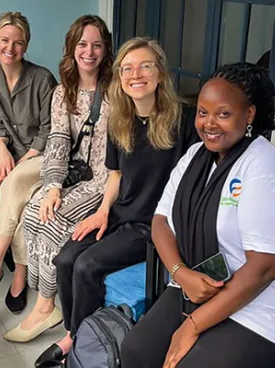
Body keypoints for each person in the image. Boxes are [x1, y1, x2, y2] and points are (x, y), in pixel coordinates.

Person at [120, 62, 275, 368]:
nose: (209, 123)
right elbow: (160, 221)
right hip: (201, 284)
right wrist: (180, 273)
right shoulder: (194, 156)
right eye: (203, 112)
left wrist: (193, 325)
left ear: (249, 115)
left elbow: (266, 269)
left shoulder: (265, 169)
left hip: (268, 307)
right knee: (136, 351)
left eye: (223, 114)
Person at [34, 37, 200, 366]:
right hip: (121, 214)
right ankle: (77, 332)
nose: (135, 74)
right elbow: (115, 176)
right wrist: (102, 212)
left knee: (87, 265)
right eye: (127, 68)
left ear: (160, 73)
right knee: (65, 258)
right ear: (120, 77)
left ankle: (79, 344)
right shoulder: (120, 121)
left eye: (145, 66)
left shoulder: (183, 120)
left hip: (152, 225)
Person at [2, 15, 114, 343]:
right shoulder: (64, 90)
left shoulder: (116, 91)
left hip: (103, 180)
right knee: (35, 212)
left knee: (53, 224)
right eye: (82, 44)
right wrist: (52, 187)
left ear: (106, 49)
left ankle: (45, 306)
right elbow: (59, 142)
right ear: (72, 48)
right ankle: (46, 302)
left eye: (96, 45)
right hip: (71, 176)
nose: (89, 52)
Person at [0, 11, 57, 313]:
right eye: (5, 40)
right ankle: (19, 274)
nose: (11, 48)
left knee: (13, 183)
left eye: (18, 43)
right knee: (24, 199)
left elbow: (49, 129)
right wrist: (1, 145)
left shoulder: (43, 78)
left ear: (26, 45)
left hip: (40, 156)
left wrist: (23, 161)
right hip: (9, 157)